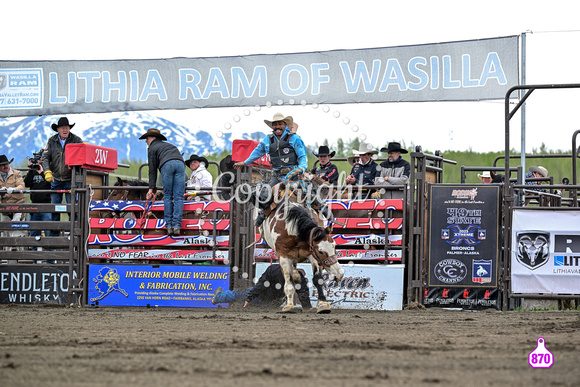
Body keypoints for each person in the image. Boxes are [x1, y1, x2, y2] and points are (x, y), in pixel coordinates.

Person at [234, 113, 328, 226]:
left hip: (293, 173)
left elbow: (302, 156)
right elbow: (257, 152)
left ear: (285, 125)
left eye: (280, 124)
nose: (277, 127)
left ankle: (323, 208)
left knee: (307, 191)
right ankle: (263, 213)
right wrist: (245, 162)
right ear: (272, 127)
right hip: (277, 175)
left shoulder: (294, 138)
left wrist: (301, 168)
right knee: (265, 195)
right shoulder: (267, 140)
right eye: (275, 124)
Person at [41, 117, 83, 237]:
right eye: (63, 128)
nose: (65, 130)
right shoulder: (52, 140)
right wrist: (47, 171)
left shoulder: (76, 140)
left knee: (72, 208)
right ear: (58, 129)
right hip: (56, 179)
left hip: (71, 179)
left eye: (67, 128)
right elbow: (45, 157)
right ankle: (55, 234)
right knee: (55, 207)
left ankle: (73, 232)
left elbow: (83, 154)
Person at [139, 128, 185, 236]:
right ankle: (177, 226)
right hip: (180, 164)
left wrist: (151, 189)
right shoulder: (170, 146)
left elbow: (152, 170)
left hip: (167, 165)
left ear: (153, 138)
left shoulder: (152, 148)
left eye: (147, 138)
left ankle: (169, 226)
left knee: (168, 195)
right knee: (178, 196)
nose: (146, 141)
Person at [212, 264, 312, 309]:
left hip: (260, 297)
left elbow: (261, 285)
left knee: (237, 295)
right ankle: (218, 296)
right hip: (269, 301)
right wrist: (307, 308)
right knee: (238, 295)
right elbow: (303, 292)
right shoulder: (298, 275)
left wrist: (249, 297)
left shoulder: (273, 269)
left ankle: (218, 296)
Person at [24, 153, 52, 250]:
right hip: (34, 205)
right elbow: (26, 183)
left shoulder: (49, 170)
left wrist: (42, 173)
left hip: (47, 205)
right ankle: (34, 258)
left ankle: (50, 259)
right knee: (34, 233)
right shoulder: (32, 171)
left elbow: (52, 185)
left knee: (48, 233)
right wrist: (31, 170)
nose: (39, 161)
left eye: (40, 159)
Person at [0, 155, 26, 251]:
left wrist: (14, 189)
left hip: (18, 206)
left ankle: (18, 255)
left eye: (6, 164)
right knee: (5, 232)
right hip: (5, 209)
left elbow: (21, 186)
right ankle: (9, 257)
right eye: (2, 165)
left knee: (16, 231)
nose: (5, 166)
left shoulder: (16, 173)